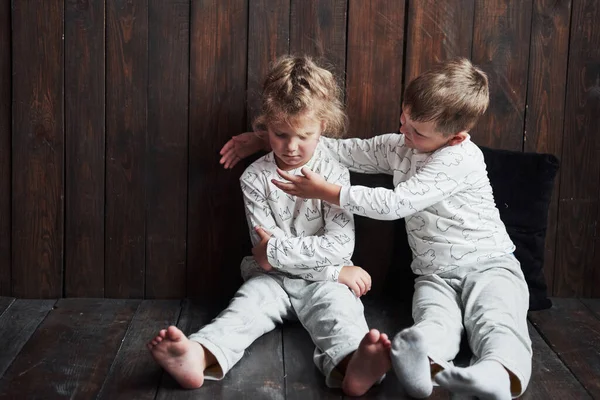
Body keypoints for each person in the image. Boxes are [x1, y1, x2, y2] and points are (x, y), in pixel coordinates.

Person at [219, 57, 532, 400]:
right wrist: (263, 139)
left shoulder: (458, 159)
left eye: (417, 131)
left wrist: (330, 193)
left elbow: (396, 204)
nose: (404, 133)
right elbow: (340, 148)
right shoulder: (403, 146)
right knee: (432, 323)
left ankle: (497, 373)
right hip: (433, 274)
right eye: (404, 119)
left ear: (455, 138)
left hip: (490, 264)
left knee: (496, 320)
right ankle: (425, 368)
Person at [148, 55, 392, 397]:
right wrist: (328, 269)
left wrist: (328, 274)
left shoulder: (333, 172)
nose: (291, 147)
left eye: (303, 135)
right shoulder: (255, 177)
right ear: (265, 128)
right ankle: (198, 355)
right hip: (273, 281)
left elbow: (338, 247)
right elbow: (264, 258)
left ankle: (354, 364)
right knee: (243, 311)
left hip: (328, 282)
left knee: (340, 315)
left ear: (323, 126)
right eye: (280, 134)